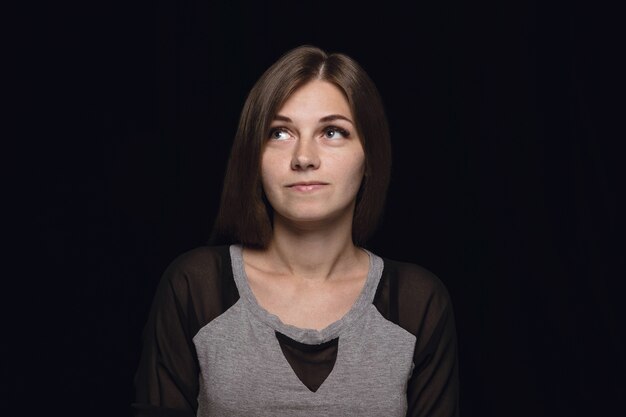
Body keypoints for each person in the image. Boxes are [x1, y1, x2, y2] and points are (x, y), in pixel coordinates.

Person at [133, 45, 459, 417]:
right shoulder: (195, 287)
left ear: (370, 155)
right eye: (280, 133)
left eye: (333, 132)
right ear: (253, 155)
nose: (304, 158)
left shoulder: (417, 303)